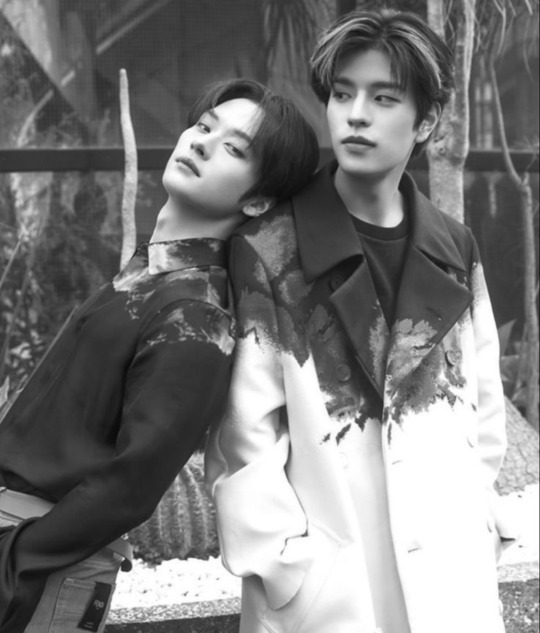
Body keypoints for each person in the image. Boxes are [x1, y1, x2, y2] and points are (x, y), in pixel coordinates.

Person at [205, 9, 517, 633]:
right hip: (330, 593)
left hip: (450, 583)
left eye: (383, 98)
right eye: (343, 94)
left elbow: (483, 411)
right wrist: (287, 566)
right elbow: (244, 437)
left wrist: (477, 521)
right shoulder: (271, 248)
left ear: (426, 120)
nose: (356, 114)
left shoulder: (455, 248)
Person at [0, 78, 319, 633]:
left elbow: (134, 484)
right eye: (204, 126)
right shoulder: (150, 274)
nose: (201, 142)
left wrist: (17, 558)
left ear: (257, 200)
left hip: (39, 562)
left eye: (233, 148)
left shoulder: (197, 311)